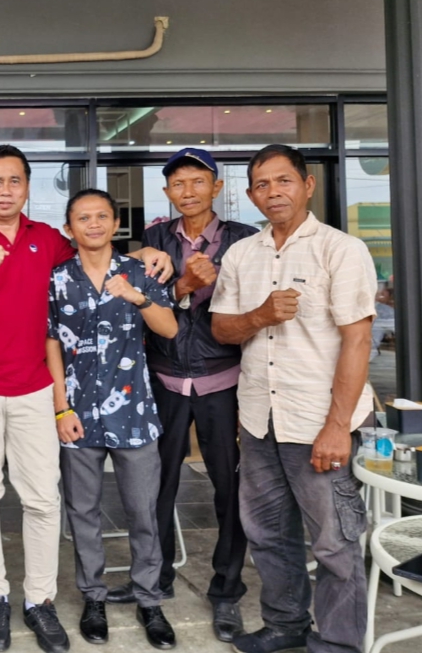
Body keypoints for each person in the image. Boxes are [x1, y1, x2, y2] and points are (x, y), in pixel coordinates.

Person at [0, 144, 172, 653]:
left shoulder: (47, 239)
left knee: (43, 499)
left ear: (26, 187)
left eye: (14, 181)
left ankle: (39, 600)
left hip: (35, 388)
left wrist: (146, 256)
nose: (5, 190)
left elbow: (95, 250)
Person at [210, 144, 376, 653]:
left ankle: (339, 643)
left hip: (318, 422)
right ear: (250, 196)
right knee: (267, 533)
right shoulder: (242, 254)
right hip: (260, 421)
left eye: (283, 181)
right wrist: (259, 316)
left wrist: (337, 426)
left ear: (308, 185)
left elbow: (358, 341)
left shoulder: (340, 249)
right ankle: (285, 625)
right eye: (262, 184)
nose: (273, 192)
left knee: (334, 543)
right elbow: (222, 329)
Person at [106, 149, 257, 642]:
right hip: (164, 379)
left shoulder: (244, 240)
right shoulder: (154, 240)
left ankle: (226, 590)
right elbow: (142, 304)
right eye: (178, 184)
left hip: (223, 380)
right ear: (166, 192)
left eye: (197, 181)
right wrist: (184, 283)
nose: (187, 191)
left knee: (229, 490)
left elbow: (252, 309)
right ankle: (155, 578)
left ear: (217, 187)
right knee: (157, 487)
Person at [47, 189, 179, 650]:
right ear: (69, 228)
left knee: (143, 510)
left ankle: (149, 599)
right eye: (83, 218)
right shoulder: (58, 278)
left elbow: (169, 328)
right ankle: (93, 597)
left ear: (116, 223)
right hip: (78, 413)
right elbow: (50, 342)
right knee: (82, 511)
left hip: (133, 412)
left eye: (102, 216)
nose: (94, 224)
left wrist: (137, 298)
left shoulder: (140, 272)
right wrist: (61, 407)